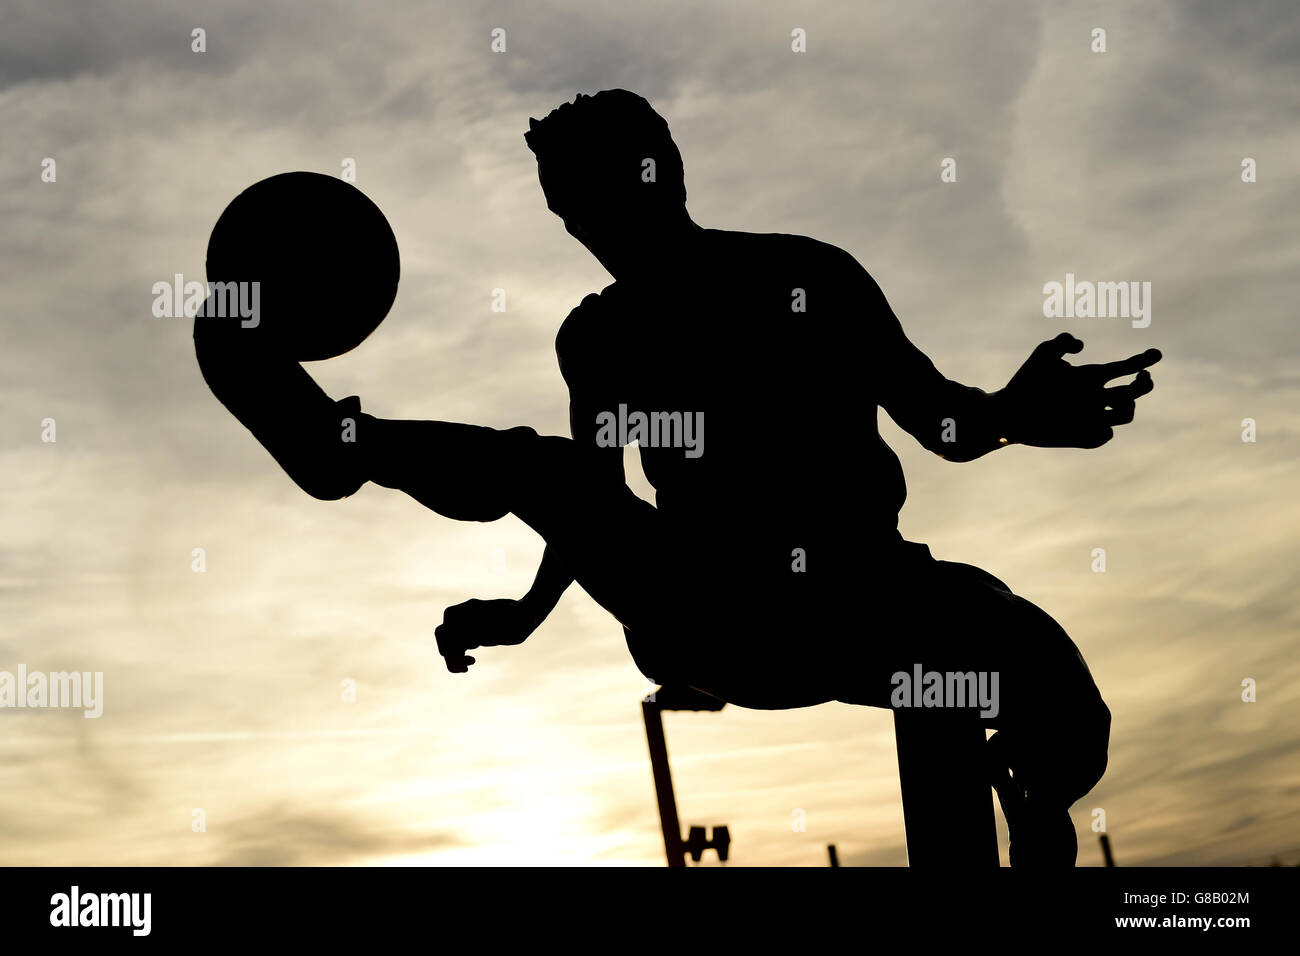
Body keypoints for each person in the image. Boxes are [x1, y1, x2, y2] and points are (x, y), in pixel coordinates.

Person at [196, 90, 1161, 865]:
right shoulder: (599, 336)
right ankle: (335, 445)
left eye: (592, 191)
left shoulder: (810, 279)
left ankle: (1028, 797)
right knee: (544, 465)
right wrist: (528, 612)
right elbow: (590, 495)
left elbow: (943, 425)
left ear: (661, 175)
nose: (582, 220)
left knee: (1044, 703)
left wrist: (1013, 414)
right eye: (566, 202)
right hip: (707, 599)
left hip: (864, 588)